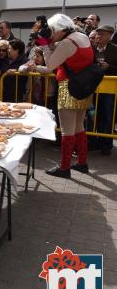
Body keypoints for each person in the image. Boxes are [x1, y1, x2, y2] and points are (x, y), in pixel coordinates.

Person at [43, 14, 95, 178]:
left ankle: (65, 168)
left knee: (67, 131)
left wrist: (44, 45)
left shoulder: (67, 42)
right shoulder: (82, 37)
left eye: (52, 30)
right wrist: (51, 44)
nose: (51, 34)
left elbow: (50, 65)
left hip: (68, 87)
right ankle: (82, 163)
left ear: (60, 29)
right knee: (79, 128)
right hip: (83, 87)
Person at [90, 25, 117, 155]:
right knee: (93, 115)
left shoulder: (115, 50)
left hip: (109, 90)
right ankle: (94, 142)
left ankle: (106, 145)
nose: (98, 37)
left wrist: (109, 67)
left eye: (102, 34)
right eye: (98, 34)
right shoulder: (91, 49)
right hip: (92, 87)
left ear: (110, 35)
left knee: (107, 115)